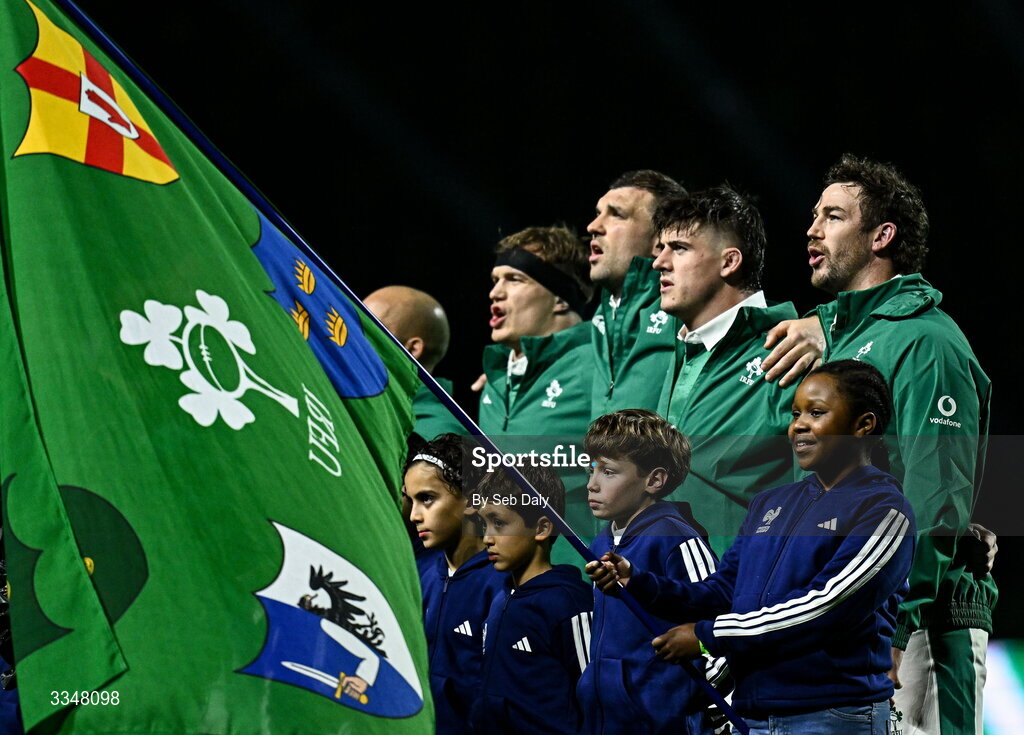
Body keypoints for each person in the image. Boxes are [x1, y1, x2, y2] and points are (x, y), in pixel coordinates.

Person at [591, 361, 916, 734]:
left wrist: (705, 637)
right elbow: (722, 591)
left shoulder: (886, 510)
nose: (799, 425)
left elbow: (826, 607)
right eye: (795, 414)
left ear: (864, 425)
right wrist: (640, 583)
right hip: (753, 716)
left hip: (833, 717)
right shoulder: (770, 503)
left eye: (817, 412)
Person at [800, 155, 995, 735]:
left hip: (914, 627)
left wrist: (896, 624)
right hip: (847, 617)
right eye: (814, 215)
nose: (812, 230)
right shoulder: (844, 341)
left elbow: (935, 499)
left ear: (881, 236)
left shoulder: (926, 342)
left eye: (833, 217)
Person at [651, 186, 804, 556]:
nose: (659, 262)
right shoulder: (681, 351)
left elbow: (818, 499)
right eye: (661, 248)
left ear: (729, 262)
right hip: (664, 597)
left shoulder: (791, 353)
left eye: (680, 248)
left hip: (742, 599)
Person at [576, 409, 721, 735]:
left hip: (662, 722)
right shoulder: (601, 540)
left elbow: (720, 618)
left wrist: (699, 702)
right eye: (591, 469)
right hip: (608, 719)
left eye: (608, 472)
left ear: (654, 480)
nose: (592, 484)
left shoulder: (676, 536)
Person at [477, 225, 595, 564]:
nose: (495, 293)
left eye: (515, 279)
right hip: (505, 583)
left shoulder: (600, 364)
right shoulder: (496, 382)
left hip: (578, 580)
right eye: (495, 280)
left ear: (560, 297)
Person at [469, 464, 592, 735]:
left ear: (542, 528)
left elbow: (594, 698)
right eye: (483, 524)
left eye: (499, 523)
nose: (487, 538)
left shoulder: (569, 605)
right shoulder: (499, 599)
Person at [404, 434, 505, 735]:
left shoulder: (505, 582)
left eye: (427, 499)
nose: (414, 516)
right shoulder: (415, 572)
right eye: (410, 500)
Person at [587, 170, 687, 416]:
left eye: (616, 214)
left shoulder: (687, 313)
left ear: (660, 239)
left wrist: (801, 327)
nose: (593, 227)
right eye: (598, 214)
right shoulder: (601, 320)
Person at [364, 285, 465, 439]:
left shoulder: (440, 436)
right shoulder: (368, 405)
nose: (353, 339)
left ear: (412, 349)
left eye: (369, 329)